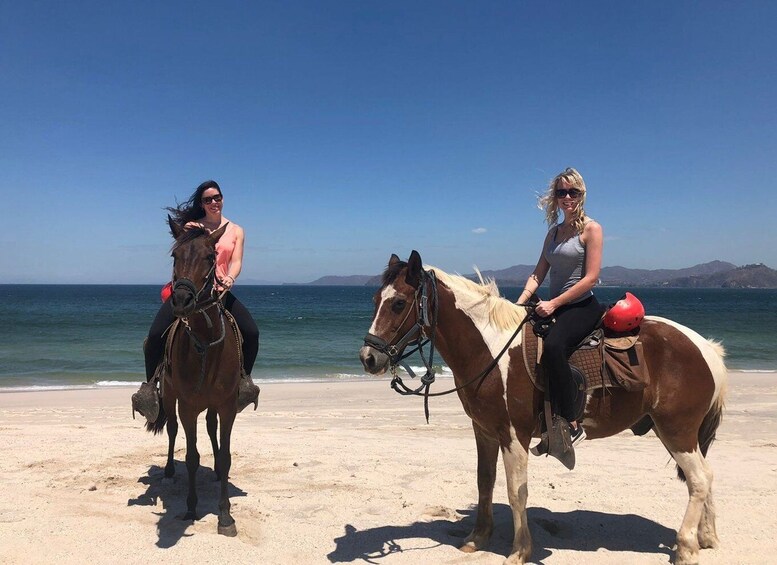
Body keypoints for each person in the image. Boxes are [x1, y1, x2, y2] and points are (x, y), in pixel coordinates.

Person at [133, 180, 260, 421]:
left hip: (220, 291)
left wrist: (231, 278)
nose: (214, 202)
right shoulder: (192, 226)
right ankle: (151, 388)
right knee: (154, 337)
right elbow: (184, 258)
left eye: (217, 197)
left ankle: (243, 382)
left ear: (223, 199)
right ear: (201, 203)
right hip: (191, 293)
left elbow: (236, 261)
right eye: (207, 199)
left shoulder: (236, 230)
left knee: (252, 333)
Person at [517, 167, 603, 452]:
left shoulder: (591, 229)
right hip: (554, 307)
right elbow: (537, 274)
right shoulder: (553, 233)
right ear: (555, 198)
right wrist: (520, 302)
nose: (567, 197)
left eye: (573, 192)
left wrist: (554, 303)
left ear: (582, 194)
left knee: (553, 347)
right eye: (561, 192)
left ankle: (572, 422)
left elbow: (591, 277)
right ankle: (544, 424)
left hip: (581, 306)